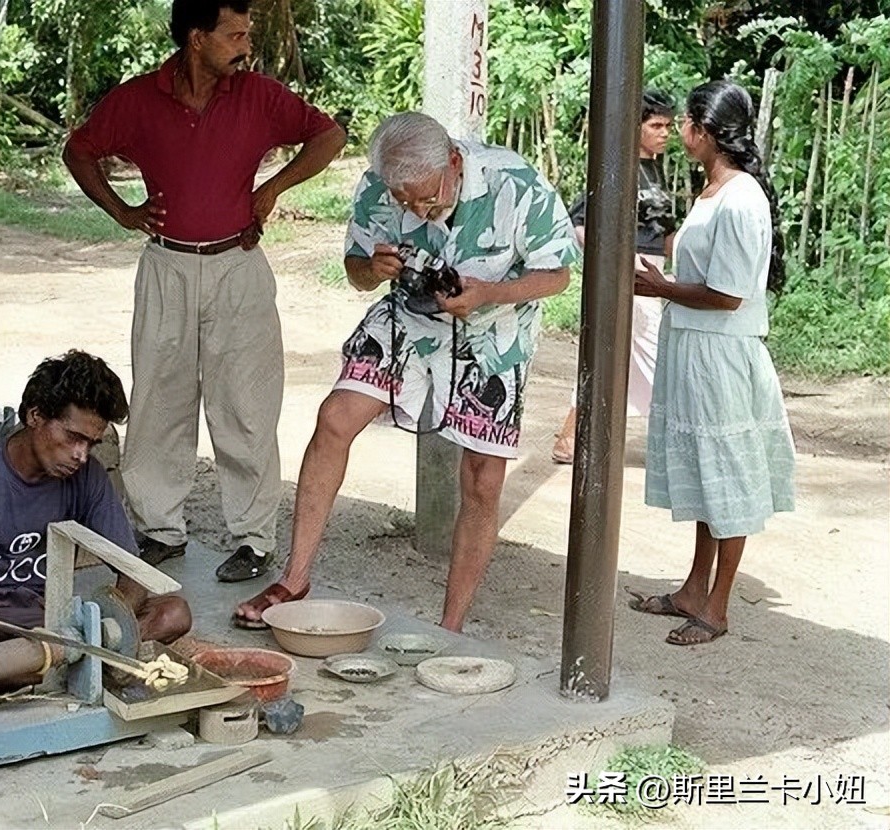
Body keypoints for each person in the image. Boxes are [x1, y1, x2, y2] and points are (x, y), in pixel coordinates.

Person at [233, 112, 578, 632]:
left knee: (483, 480)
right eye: (405, 202)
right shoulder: (380, 184)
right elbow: (356, 274)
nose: (416, 210)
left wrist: (489, 294)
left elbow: (557, 275)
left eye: (427, 200)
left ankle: (450, 627)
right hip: (407, 320)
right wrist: (372, 268)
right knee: (334, 418)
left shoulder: (516, 182)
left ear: (454, 164)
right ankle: (295, 578)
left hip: (491, 333)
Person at [62, 0, 346, 584]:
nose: (246, 45)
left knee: (245, 406)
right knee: (158, 402)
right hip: (165, 267)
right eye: (235, 35)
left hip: (237, 267)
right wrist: (121, 211)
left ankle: (253, 539)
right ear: (197, 38)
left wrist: (273, 187)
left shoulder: (260, 95)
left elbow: (329, 135)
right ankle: (160, 530)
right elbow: (80, 150)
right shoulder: (139, 99)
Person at [627, 80, 795, 646]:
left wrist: (662, 289)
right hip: (695, 347)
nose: (678, 130)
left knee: (730, 480)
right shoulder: (712, 191)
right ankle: (693, 589)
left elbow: (728, 295)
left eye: (687, 123)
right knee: (706, 475)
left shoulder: (742, 197)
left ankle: (717, 607)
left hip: (720, 354)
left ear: (706, 129)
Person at [0, 351, 192, 654]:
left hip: (47, 623)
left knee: (173, 613)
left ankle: (44, 661)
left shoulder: (89, 477)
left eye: (91, 443)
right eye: (73, 437)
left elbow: (132, 570)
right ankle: (50, 663)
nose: (81, 454)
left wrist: (111, 623)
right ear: (35, 416)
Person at [552, 89, 678, 464]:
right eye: (656, 125)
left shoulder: (652, 169)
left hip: (652, 280)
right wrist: (617, 266)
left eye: (669, 126)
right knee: (657, 359)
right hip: (633, 280)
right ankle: (675, 446)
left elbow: (663, 232)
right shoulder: (616, 167)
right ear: (634, 127)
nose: (664, 133)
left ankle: (570, 439)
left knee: (619, 359)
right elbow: (579, 223)